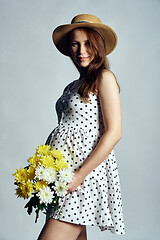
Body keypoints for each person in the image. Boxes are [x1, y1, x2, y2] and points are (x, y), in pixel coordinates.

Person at [37, 14, 126, 240]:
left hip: (82, 177)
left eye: (87, 43)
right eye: (75, 44)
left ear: (98, 46)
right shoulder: (72, 85)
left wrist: (78, 176)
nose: (80, 50)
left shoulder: (104, 78)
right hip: (64, 177)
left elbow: (114, 132)